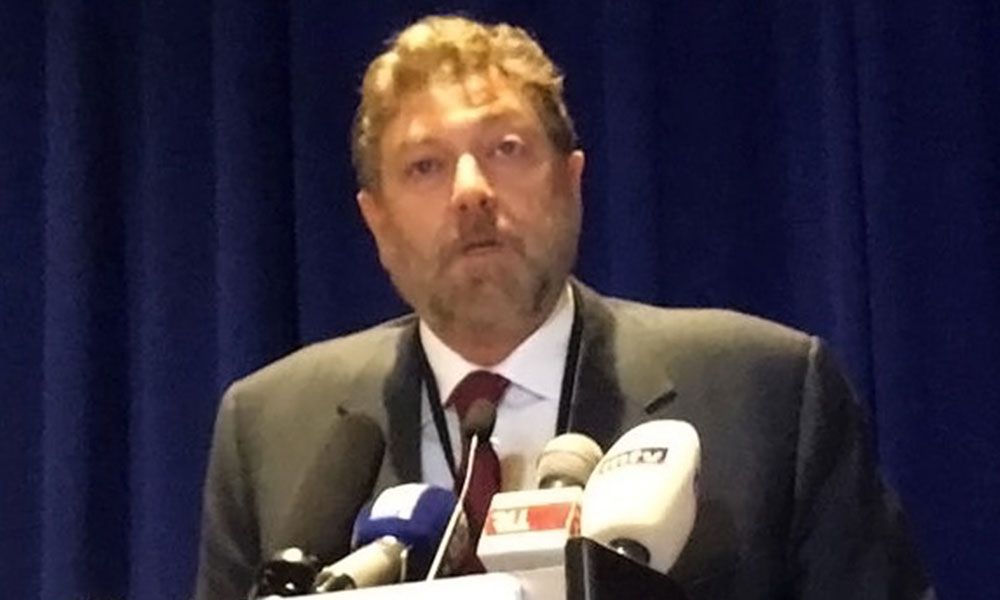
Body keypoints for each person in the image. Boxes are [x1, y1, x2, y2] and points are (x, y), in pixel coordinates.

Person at [195, 15, 934, 600]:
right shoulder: (270, 428)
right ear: (376, 222)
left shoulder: (767, 395)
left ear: (571, 183)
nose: (471, 190)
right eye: (425, 166)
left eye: (506, 149)